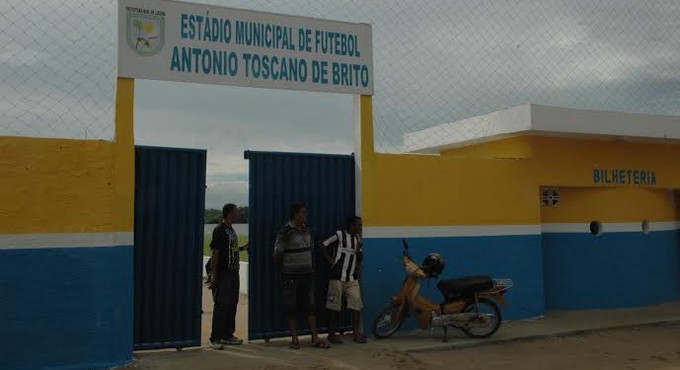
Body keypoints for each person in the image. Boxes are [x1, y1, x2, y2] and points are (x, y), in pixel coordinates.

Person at [273, 202, 330, 350]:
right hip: (291, 276)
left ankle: (315, 337)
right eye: (303, 212)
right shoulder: (285, 232)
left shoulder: (307, 230)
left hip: (307, 275)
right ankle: (294, 339)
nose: (305, 215)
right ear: (296, 214)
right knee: (291, 308)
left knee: (311, 307)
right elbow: (277, 254)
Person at [207, 203, 248, 350]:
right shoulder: (220, 230)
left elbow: (231, 250)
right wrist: (214, 275)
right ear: (229, 213)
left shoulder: (231, 230)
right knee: (221, 305)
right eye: (235, 211)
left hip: (233, 272)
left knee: (231, 304)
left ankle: (227, 335)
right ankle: (215, 338)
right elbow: (216, 252)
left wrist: (243, 248)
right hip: (224, 273)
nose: (237, 214)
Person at [321, 216, 367, 344]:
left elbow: (360, 259)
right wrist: (330, 260)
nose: (360, 228)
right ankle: (332, 334)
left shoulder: (357, 239)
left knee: (356, 304)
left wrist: (358, 250)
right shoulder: (339, 235)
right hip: (337, 277)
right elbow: (323, 245)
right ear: (351, 225)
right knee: (334, 306)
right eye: (358, 225)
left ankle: (356, 333)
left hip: (351, 278)